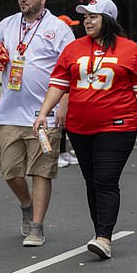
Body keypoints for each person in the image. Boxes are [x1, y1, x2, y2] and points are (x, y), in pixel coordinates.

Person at [32, 0, 137, 259]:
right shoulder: (73, 48)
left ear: (107, 19)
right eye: (85, 16)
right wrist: (43, 113)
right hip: (79, 127)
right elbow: (58, 84)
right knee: (91, 182)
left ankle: (103, 238)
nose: (87, 21)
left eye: (93, 16)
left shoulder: (129, 50)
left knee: (106, 181)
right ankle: (100, 230)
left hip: (117, 126)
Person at [0, 0, 75, 247]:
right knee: (10, 171)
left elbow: (70, 72)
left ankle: (37, 226)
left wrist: (62, 108)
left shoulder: (59, 29)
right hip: (10, 114)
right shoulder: (6, 25)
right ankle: (26, 204)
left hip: (45, 115)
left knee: (41, 171)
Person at [55, 15, 81, 168]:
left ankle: (64, 151)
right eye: (69, 25)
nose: (71, 28)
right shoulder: (61, 45)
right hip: (58, 88)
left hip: (69, 87)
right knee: (59, 120)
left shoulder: (70, 43)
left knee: (66, 120)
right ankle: (57, 152)